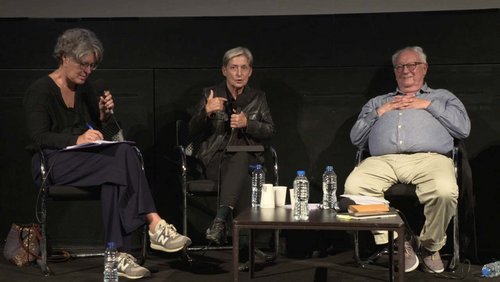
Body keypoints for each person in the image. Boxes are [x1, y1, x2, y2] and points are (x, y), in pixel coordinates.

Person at [24, 28, 191, 280]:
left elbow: (100, 132)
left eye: (92, 66)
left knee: (118, 169)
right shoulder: (40, 90)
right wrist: (76, 138)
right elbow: (38, 137)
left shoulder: (86, 89)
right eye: (83, 64)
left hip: (87, 160)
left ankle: (117, 256)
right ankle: (154, 223)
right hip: (52, 162)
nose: (87, 71)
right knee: (122, 159)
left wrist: (103, 117)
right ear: (64, 57)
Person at [344, 46, 470, 273]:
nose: (406, 70)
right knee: (355, 187)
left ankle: (430, 247)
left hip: (430, 159)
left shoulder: (442, 97)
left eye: (412, 65)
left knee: (445, 191)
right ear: (395, 72)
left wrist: (429, 106)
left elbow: (463, 129)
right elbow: (356, 138)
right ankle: (396, 242)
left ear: (424, 68)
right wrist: (381, 112)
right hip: (383, 160)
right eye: (400, 66)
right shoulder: (378, 102)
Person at [188, 46, 275, 246]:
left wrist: (249, 124)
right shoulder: (210, 94)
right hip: (216, 160)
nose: (239, 73)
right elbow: (191, 131)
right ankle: (248, 248)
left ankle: (220, 222)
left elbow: (271, 131)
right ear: (224, 70)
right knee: (242, 171)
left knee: (243, 161)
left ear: (250, 71)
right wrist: (206, 113)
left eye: (244, 68)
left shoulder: (258, 98)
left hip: (252, 160)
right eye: (234, 67)